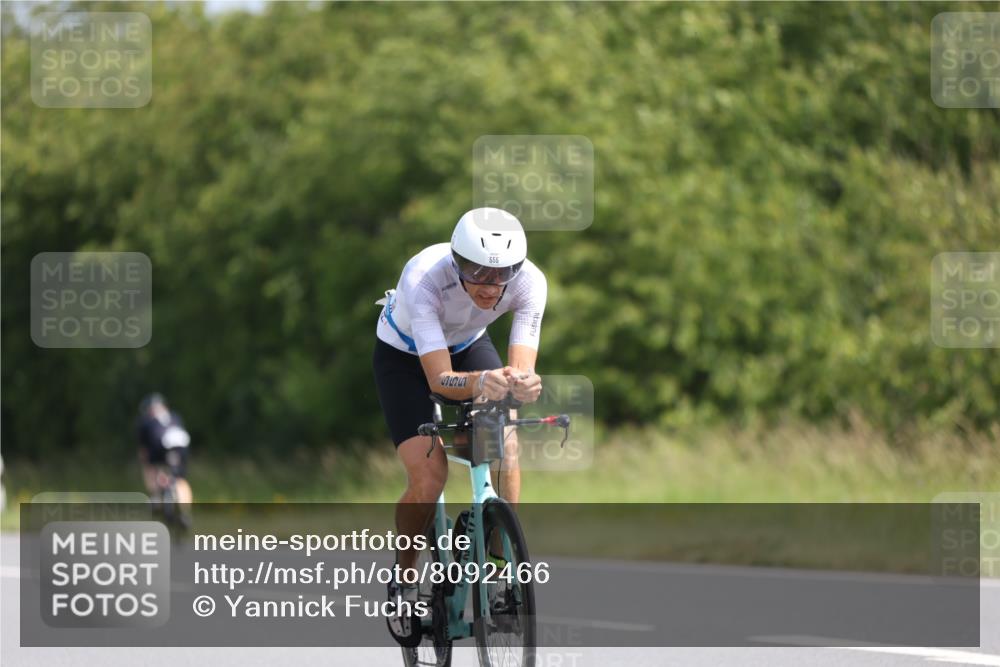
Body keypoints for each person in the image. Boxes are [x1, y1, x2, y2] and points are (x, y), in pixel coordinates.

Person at [372, 207, 546, 645]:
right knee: (431, 477)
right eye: (477, 273)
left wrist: (520, 384)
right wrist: (481, 382)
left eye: (501, 273)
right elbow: (439, 380)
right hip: (406, 359)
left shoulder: (529, 283)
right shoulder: (424, 280)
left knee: (505, 445)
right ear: (455, 262)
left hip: (469, 346)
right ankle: (406, 576)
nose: (490, 286)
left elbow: (519, 368)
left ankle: (501, 569)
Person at [137, 393, 193, 516]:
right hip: (181, 446)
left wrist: (146, 464)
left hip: (160, 445)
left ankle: (155, 496)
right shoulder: (174, 416)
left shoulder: (146, 421)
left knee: (151, 468)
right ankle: (185, 511)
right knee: (180, 479)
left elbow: (144, 450)